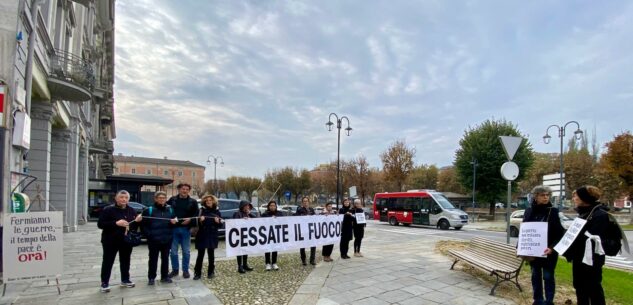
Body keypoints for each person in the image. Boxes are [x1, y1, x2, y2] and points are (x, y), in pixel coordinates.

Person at [563, 185, 609, 305]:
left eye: (576, 196)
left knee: (594, 290)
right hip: (579, 259)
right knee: (580, 288)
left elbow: (594, 238)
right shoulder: (583, 213)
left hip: (592, 260)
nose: (574, 199)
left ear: (584, 198)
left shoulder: (599, 215)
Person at [522, 186, 565, 305]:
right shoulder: (529, 211)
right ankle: (538, 300)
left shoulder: (553, 211)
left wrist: (552, 248)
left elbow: (560, 233)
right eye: (542, 195)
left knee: (548, 277)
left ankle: (549, 301)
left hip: (548, 252)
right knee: (535, 276)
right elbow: (525, 231)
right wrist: (522, 247)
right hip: (533, 251)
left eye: (547, 195)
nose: (546, 197)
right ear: (536, 196)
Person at [97, 190, 142, 292]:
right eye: (121, 197)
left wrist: (138, 221)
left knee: (126, 261)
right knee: (108, 261)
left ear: (128, 199)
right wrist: (116, 223)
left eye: (126, 198)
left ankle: (125, 280)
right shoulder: (108, 209)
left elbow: (133, 226)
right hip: (110, 240)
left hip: (126, 240)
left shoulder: (131, 210)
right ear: (116, 198)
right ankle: (104, 283)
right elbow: (100, 224)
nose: (124, 199)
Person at [141, 191, 177, 285]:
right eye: (159, 198)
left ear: (165, 199)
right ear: (155, 199)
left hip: (167, 239)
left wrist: (174, 223)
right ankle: (151, 278)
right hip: (154, 240)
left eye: (163, 198)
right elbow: (143, 225)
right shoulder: (149, 210)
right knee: (153, 259)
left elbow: (174, 222)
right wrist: (149, 235)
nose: (161, 199)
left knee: (165, 258)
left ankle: (164, 276)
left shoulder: (170, 210)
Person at [167, 183, 199, 279]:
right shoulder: (172, 200)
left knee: (186, 251)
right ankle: (175, 270)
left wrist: (190, 220)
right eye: (182, 189)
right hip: (173, 229)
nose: (184, 191)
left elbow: (196, 215)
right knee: (173, 252)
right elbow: (166, 211)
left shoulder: (193, 202)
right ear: (179, 189)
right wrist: (171, 219)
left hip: (186, 229)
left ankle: (185, 270)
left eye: (186, 189)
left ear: (188, 191)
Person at [193, 194, 222, 280]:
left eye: (210, 200)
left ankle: (211, 272)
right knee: (200, 255)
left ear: (213, 201)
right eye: (207, 200)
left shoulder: (217, 211)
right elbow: (195, 223)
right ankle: (197, 273)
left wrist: (217, 222)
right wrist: (200, 220)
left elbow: (220, 225)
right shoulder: (201, 210)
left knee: (211, 255)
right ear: (204, 202)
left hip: (212, 235)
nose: (209, 202)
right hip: (202, 234)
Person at [262, 200, 284, 270]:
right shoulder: (265, 214)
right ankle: (267, 263)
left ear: (276, 206)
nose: (272, 207)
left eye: (274, 205)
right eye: (271, 205)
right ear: (269, 206)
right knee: (267, 248)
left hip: (276, 234)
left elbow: (283, 221)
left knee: (275, 248)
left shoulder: (279, 213)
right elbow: (260, 222)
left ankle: (274, 263)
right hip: (267, 234)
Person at [233, 200, 255, 273]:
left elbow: (257, 220)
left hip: (246, 234)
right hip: (239, 235)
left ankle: (245, 265)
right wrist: (242, 220)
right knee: (239, 251)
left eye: (248, 206)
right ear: (242, 206)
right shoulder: (237, 213)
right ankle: (240, 266)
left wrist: (250, 214)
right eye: (246, 206)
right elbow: (235, 223)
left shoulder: (248, 214)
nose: (247, 207)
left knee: (245, 250)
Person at [296, 196, 317, 265]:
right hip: (302, 230)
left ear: (308, 202)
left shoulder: (311, 209)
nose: (305, 202)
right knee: (302, 246)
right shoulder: (299, 209)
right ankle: (303, 260)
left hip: (310, 230)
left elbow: (315, 218)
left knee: (313, 245)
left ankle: (312, 260)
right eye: (304, 201)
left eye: (306, 201)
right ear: (302, 202)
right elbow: (296, 218)